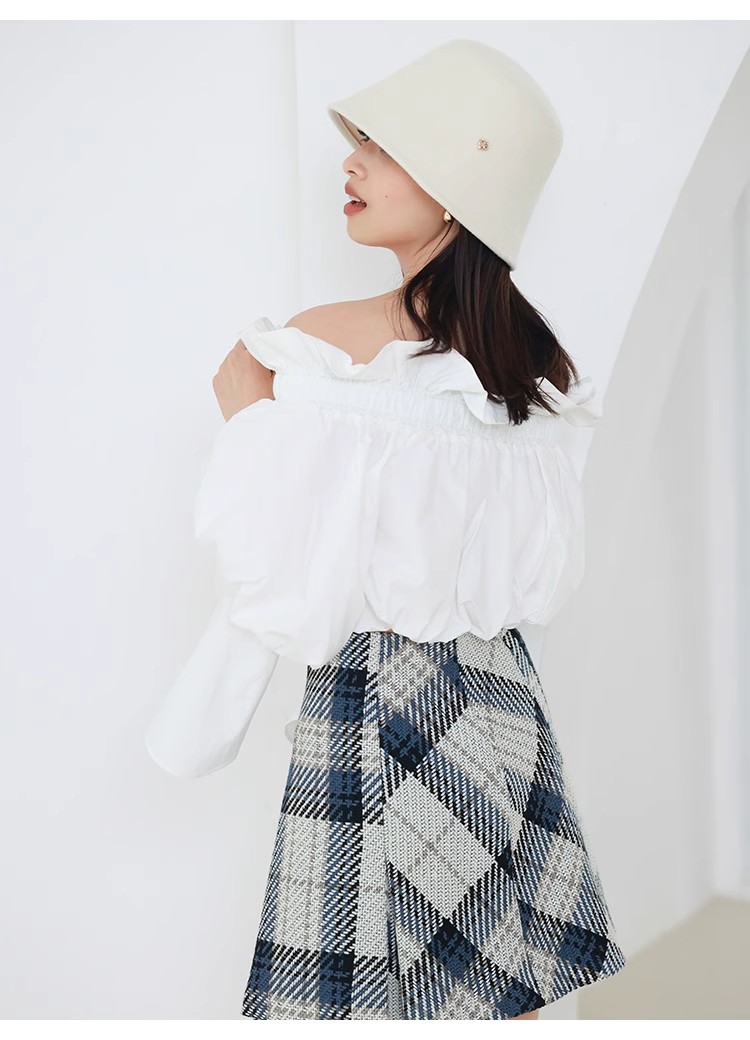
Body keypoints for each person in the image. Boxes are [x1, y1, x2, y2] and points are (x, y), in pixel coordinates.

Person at [145, 39, 627, 1020]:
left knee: (388, 1000)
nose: (351, 162)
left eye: (384, 146)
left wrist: (250, 424)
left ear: (458, 189)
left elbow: (286, 570)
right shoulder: (535, 362)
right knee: (499, 988)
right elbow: (534, 574)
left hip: (379, 696)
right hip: (504, 698)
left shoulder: (328, 343)